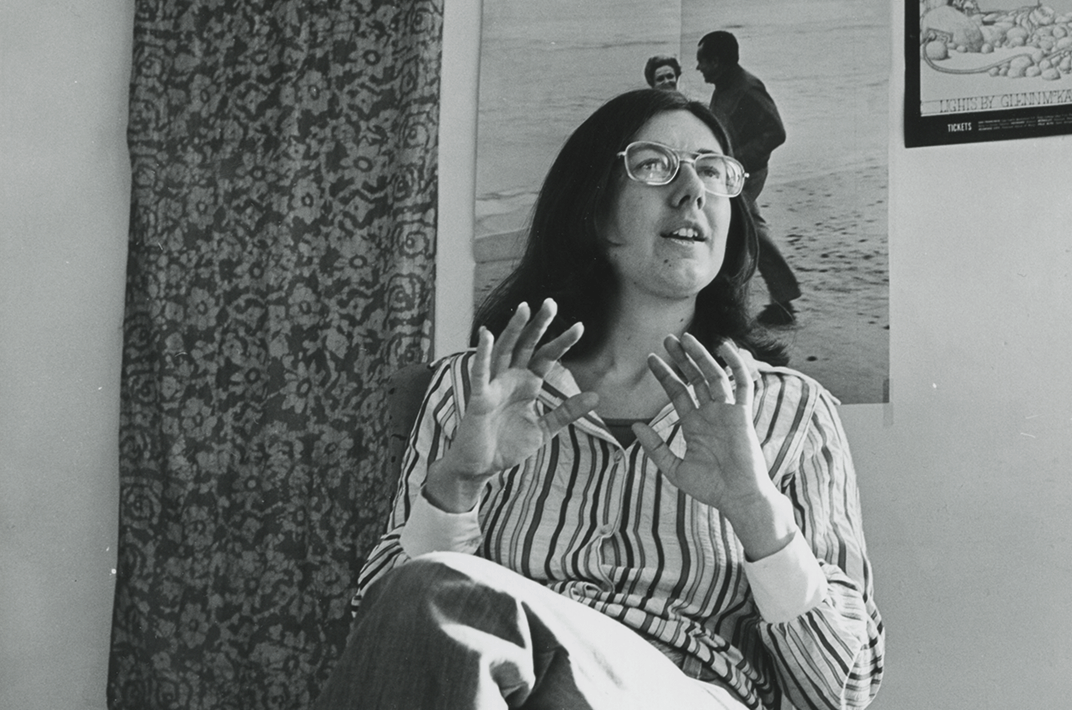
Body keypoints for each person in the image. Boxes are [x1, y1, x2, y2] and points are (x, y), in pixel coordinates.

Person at [314, 89, 883, 710]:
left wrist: (754, 509)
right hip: (509, 686)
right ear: (593, 205)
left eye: (713, 170)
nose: (692, 190)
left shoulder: (794, 412)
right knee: (434, 598)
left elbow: (844, 690)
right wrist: (458, 482)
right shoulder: (475, 388)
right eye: (655, 164)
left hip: (690, 692)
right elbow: (386, 638)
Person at [697, 31, 800, 327]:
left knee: (739, 230)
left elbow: (776, 132)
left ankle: (767, 302)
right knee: (752, 229)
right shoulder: (725, 84)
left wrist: (737, 158)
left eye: (703, 60)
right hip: (731, 170)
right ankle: (783, 299)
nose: (699, 67)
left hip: (746, 173)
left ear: (717, 62)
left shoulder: (748, 88)